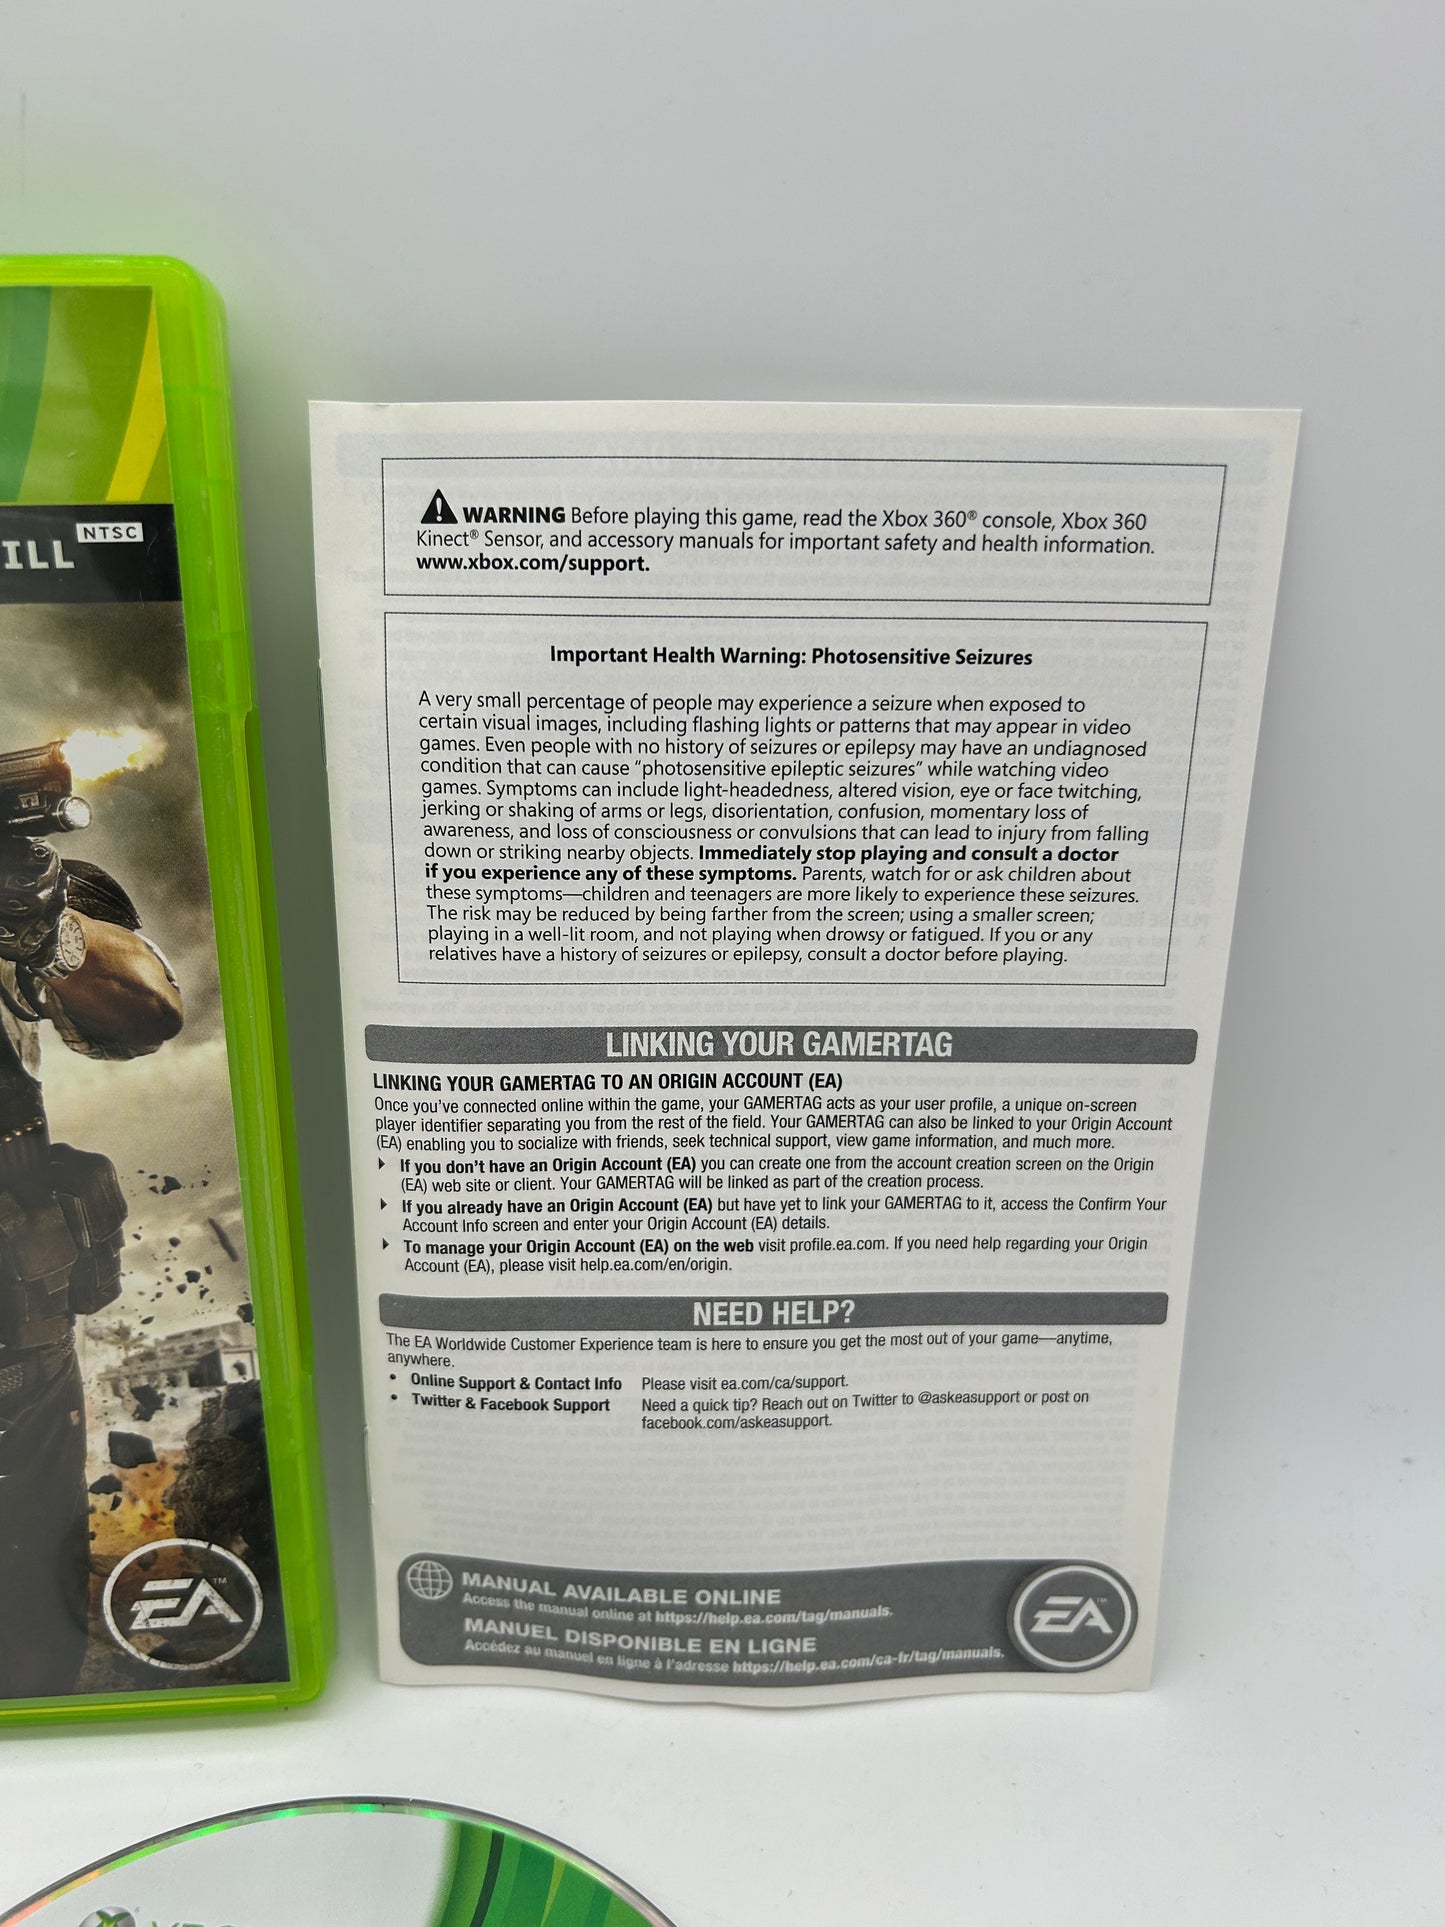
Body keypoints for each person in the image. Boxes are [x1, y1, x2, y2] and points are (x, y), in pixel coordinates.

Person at [0, 830, 182, 1698]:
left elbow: (147, 1008)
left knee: (29, 1650)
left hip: (17, 1360)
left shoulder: (17, 875)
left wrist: (44, 927)